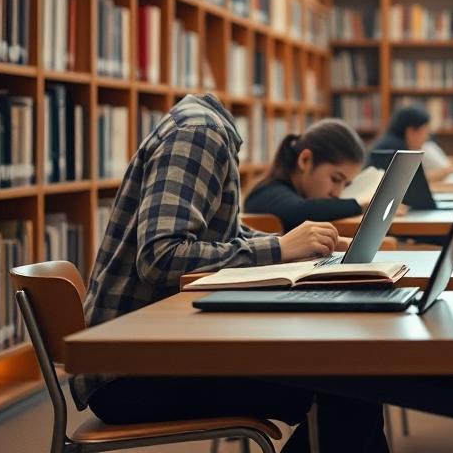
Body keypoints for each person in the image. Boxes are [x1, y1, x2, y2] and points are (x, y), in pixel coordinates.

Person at [74, 93, 389, 453]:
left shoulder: (211, 132)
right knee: (347, 383)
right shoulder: (199, 133)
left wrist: (300, 246)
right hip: (129, 370)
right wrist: (281, 249)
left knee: (347, 380)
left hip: (156, 350)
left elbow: (225, 236)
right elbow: (160, 256)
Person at [244, 119, 367, 230]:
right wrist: (361, 206)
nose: (337, 193)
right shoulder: (264, 194)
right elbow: (299, 211)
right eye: (335, 179)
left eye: (346, 184)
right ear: (305, 160)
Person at [366, 105, 453, 180]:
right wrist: (444, 172)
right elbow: (410, 181)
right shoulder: (394, 148)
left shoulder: (393, 142)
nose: (426, 137)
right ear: (411, 131)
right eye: (425, 131)